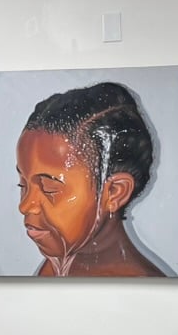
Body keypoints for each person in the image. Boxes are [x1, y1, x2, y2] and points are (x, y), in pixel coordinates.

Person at [16, 81, 167, 277]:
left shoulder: (142, 286)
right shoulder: (55, 267)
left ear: (114, 192)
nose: (25, 205)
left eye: (49, 188)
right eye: (23, 184)